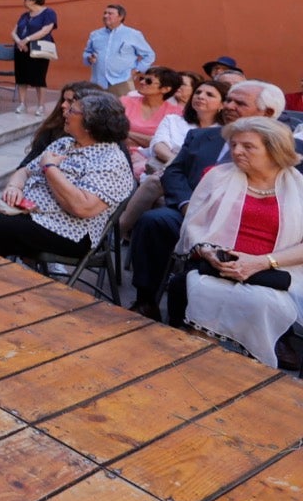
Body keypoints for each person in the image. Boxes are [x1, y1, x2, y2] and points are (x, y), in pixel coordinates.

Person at [127, 80, 300, 321]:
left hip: (265, 228)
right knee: (155, 221)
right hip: (190, 212)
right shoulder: (200, 136)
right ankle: (146, 301)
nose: (228, 105)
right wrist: (187, 204)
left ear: (268, 112)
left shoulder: (291, 148)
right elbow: (174, 173)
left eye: (239, 102)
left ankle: (277, 334)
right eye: (228, 99)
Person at [173, 117, 303, 368]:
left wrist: (262, 262)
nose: (236, 151)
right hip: (217, 266)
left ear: (274, 149)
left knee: (261, 302)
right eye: (233, 145)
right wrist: (207, 251)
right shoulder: (217, 177)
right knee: (201, 288)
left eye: (247, 146)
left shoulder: (299, 188)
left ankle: (248, 367)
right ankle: (194, 363)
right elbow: (194, 224)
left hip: (277, 271)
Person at [0, 92, 135, 262]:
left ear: (90, 123)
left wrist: (50, 168)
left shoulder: (111, 161)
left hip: (65, 230)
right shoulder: (66, 143)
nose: (65, 113)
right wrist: (14, 187)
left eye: (73, 111)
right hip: (28, 211)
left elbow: (82, 207)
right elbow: (25, 171)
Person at [119, 77, 230, 241]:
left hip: (196, 182)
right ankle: (119, 231)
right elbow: (159, 145)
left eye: (209, 95)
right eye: (198, 92)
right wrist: (175, 162)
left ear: (222, 105)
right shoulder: (174, 120)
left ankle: (119, 231)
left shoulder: (223, 133)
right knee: (156, 181)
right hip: (165, 171)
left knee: (156, 182)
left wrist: (180, 164)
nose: (200, 96)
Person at [82, 3, 154, 95]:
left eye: (110, 13)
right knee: (97, 108)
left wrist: (137, 70)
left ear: (120, 17)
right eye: (105, 13)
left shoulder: (133, 34)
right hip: (98, 82)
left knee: (123, 108)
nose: (105, 16)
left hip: (122, 81)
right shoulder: (95, 34)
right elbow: (87, 52)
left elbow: (149, 55)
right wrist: (88, 58)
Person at [121, 65, 182, 174]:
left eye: (148, 81)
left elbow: (169, 145)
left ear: (166, 89)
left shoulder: (176, 113)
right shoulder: (125, 102)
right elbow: (111, 132)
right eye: (141, 78)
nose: (142, 82)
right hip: (120, 153)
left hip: (150, 163)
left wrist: (127, 133)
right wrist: (150, 140)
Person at [11, 0, 58, 114]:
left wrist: (26, 40)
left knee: (39, 77)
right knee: (21, 78)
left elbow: (45, 30)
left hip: (39, 48)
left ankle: (41, 105)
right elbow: (13, 32)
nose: (24, 1)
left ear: (33, 0)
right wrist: (19, 42)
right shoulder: (24, 15)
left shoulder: (49, 13)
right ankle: (22, 104)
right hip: (21, 49)